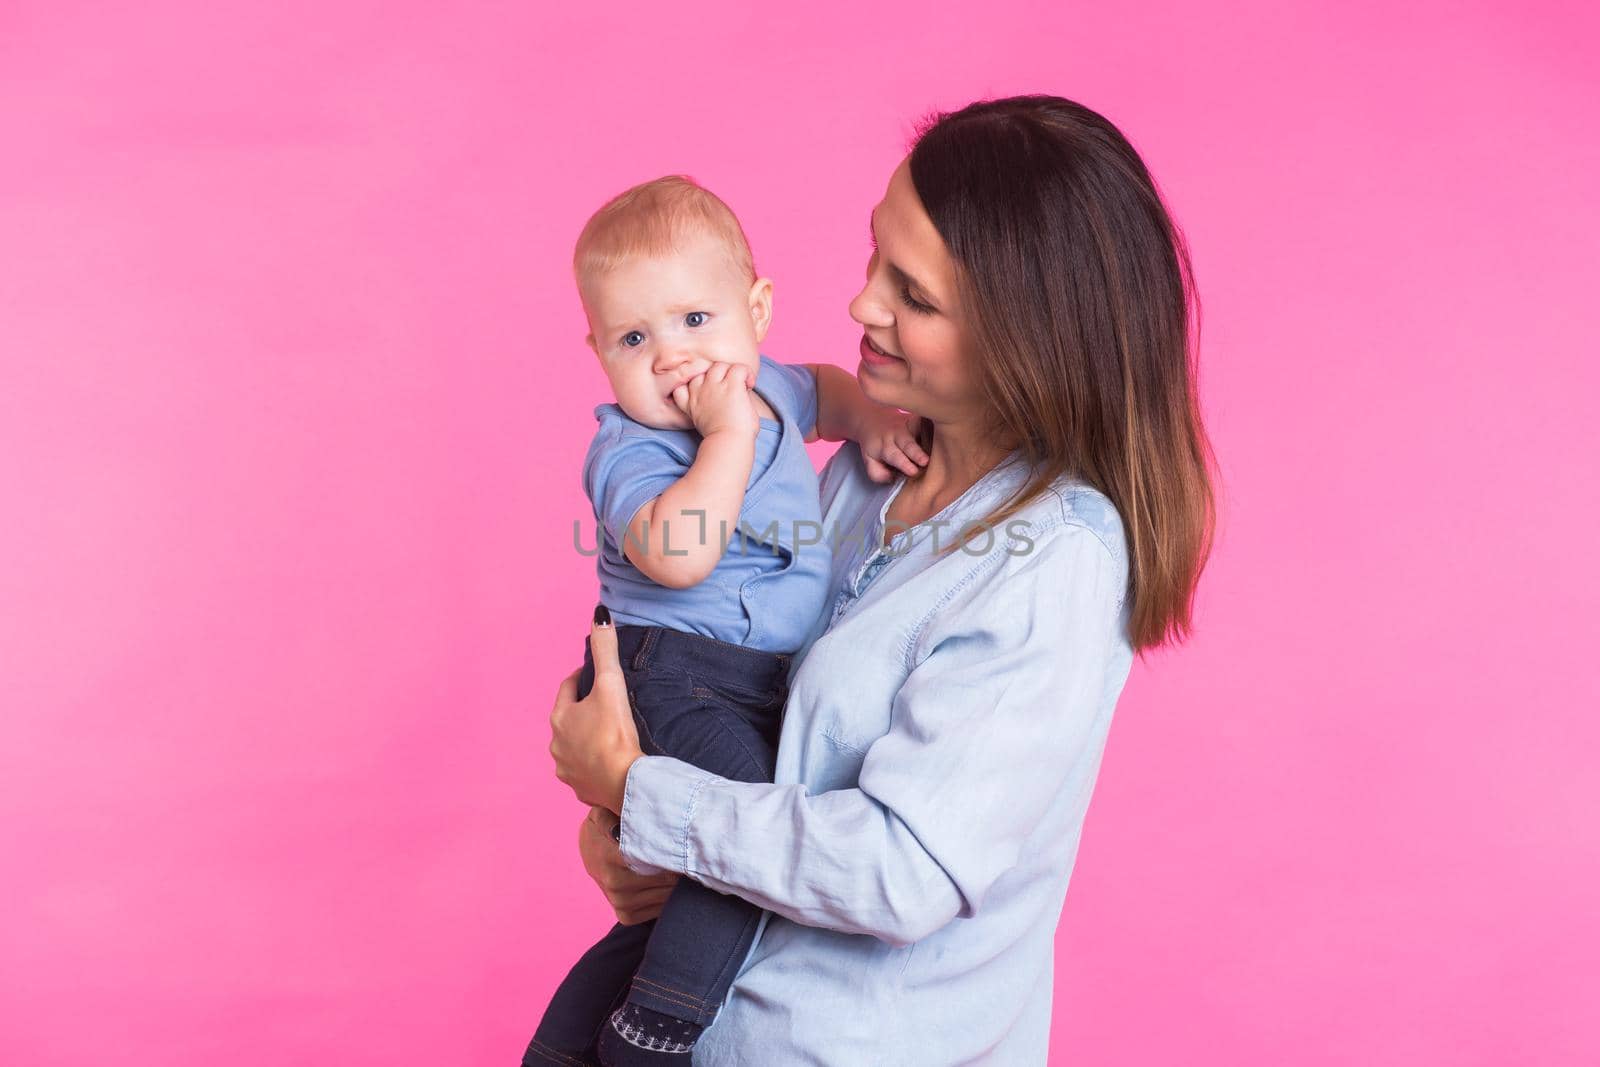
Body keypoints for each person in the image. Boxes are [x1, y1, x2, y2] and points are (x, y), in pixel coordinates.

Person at [546, 95, 1217, 1066]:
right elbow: (760, 721)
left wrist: (644, 792)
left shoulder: (1055, 560)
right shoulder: (868, 470)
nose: (863, 303)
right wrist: (623, 834)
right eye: (875, 257)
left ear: (1026, 337)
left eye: (914, 295)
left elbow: (901, 872)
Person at [526, 176, 928, 1067]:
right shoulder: (627, 449)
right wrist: (726, 438)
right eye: (635, 338)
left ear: (757, 309)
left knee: (692, 885)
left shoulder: (773, 388)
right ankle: (656, 1031)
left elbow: (821, 386)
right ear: (598, 354)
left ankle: (565, 1043)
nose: (672, 357)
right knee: (745, 829)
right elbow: (679, 553)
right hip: (667, 670)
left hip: (746, 683)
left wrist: (864, 418)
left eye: (696, 321)